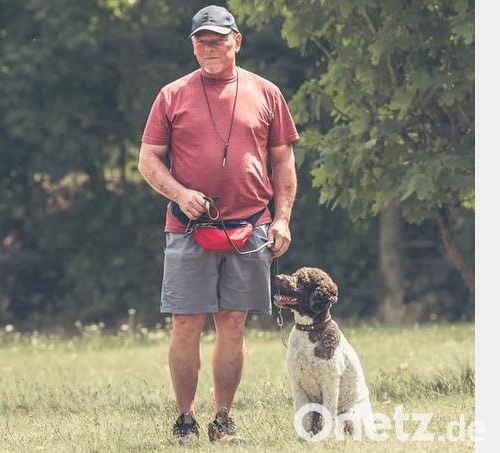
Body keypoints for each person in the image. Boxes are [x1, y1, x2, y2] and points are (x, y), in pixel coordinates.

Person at [137, 5, 299, 443]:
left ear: (236, 41)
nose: (209, 48)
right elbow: (148, 159)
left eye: (217, 40)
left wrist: (282, 220)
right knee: (186, 323)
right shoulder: (171, 95)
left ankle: (223, 419)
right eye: (201, 42)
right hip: (188, 227)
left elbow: (283, 162)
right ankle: (185, 420)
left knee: (233, 322)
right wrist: (180, 194)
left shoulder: (266, 92)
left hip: (252, 228)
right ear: (192, 45)